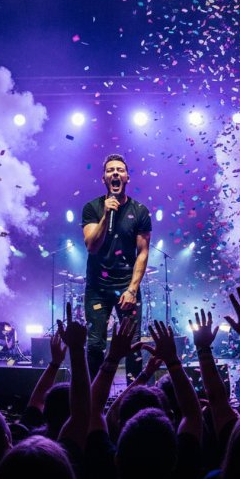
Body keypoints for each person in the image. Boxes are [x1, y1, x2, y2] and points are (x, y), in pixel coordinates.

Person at [81, 153, 152, 380]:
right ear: (104, 178)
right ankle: (94, 398)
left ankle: (135, 398)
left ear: (127, 178)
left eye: (119, 170)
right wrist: (106, 214)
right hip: (97, 288)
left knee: (133, 345)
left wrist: (132, 289)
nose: (115, 173)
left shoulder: (140, 211)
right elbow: (92, 245)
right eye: (110, 170)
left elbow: (142, 253)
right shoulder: (92, 208)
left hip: (126, 287)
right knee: (94, 345)